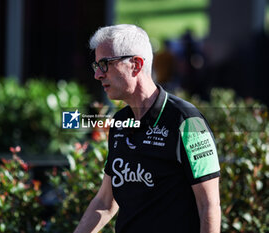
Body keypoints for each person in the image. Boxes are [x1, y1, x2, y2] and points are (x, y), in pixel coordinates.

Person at [74, 24, 221, 233]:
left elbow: (209, 206)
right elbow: (105, 202)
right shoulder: (120, 123)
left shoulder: (188, 121)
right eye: (96, 65)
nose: (98, 74)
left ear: (136, 64)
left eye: (105, 64)